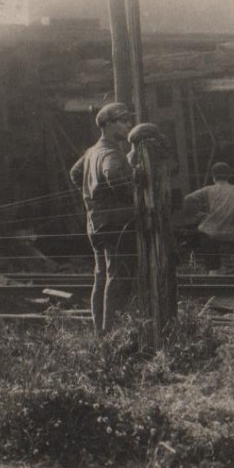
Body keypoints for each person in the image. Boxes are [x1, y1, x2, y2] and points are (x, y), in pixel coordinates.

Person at [69, 103, 137, 333]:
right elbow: (115, 176)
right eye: (123, 120)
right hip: (115, 224)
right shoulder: (110, 153)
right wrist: (132, 190)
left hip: (95, 223)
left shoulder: (92, 151)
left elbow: (75, 174)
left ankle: (100, 331)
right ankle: (112, 335)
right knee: (118, 278)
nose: (129, 124)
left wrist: (94, 198)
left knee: (102, 275)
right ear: (107, 125)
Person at [183, 162, 234, 274]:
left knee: (212, 267)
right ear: (229, 176)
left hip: (210, 233)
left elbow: (187, 199)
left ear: (213, 176)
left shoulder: (208, 190)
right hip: (231, 234)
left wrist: (199, 214)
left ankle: (213, 275)